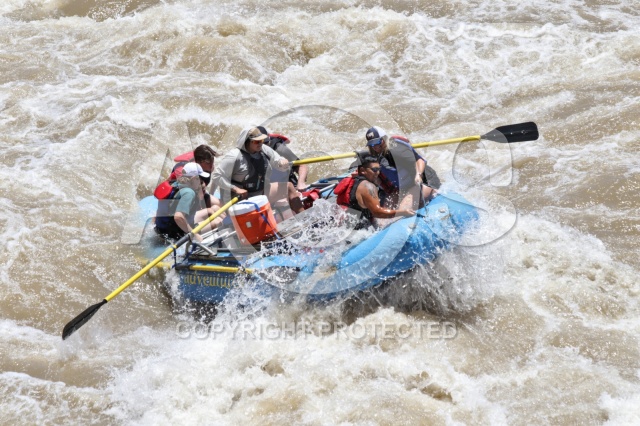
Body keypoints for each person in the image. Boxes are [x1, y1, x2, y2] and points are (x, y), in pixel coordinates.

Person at [211, 127, 290, 204]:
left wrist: (282, 162)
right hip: (238, 198)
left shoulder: (264, 149)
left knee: (289, 187)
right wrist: (236, 189)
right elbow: (216, 176)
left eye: (261, 140)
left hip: (259, 193)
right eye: (256, 141)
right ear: (247, 142)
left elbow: (278, 161)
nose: (260, 143)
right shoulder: (234, 156)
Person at [364, 126, 439, 208]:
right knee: (386, 211)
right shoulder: (376, 156)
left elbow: (419, 160)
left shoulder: (397, 150)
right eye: (372, 144)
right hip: (405, 187)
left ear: (384, 139)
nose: (375, 146)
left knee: (402, 209)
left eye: (378, 142)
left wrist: (418, 175)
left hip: (424, 181)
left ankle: (432, 192)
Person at [335, 156, 415, 228]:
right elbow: (377, 212)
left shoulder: (353, 181)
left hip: (346, 225)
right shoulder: (368, 186)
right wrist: (402, 212)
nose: (378, 173)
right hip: (360, 230)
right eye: (374, 170)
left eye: (379, 169)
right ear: (362, 170)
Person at [154, 163, 223, 241]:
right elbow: (178, 217)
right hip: (174, 232)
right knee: (219, 221)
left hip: (162, 229)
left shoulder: (176, 183)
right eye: (200, 178)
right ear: (193, 179)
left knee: (212, 210)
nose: (202, 181)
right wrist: (194, 235)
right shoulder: (189, 193)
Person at [257, 126, 308, 216]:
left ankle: (303, 215)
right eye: (262, 144)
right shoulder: (251, 155)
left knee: (289, 187)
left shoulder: (279, 148)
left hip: (288, 186)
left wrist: (301, 182)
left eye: (266, 143)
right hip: (270, 189)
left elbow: (301, 165)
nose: (265, 147)